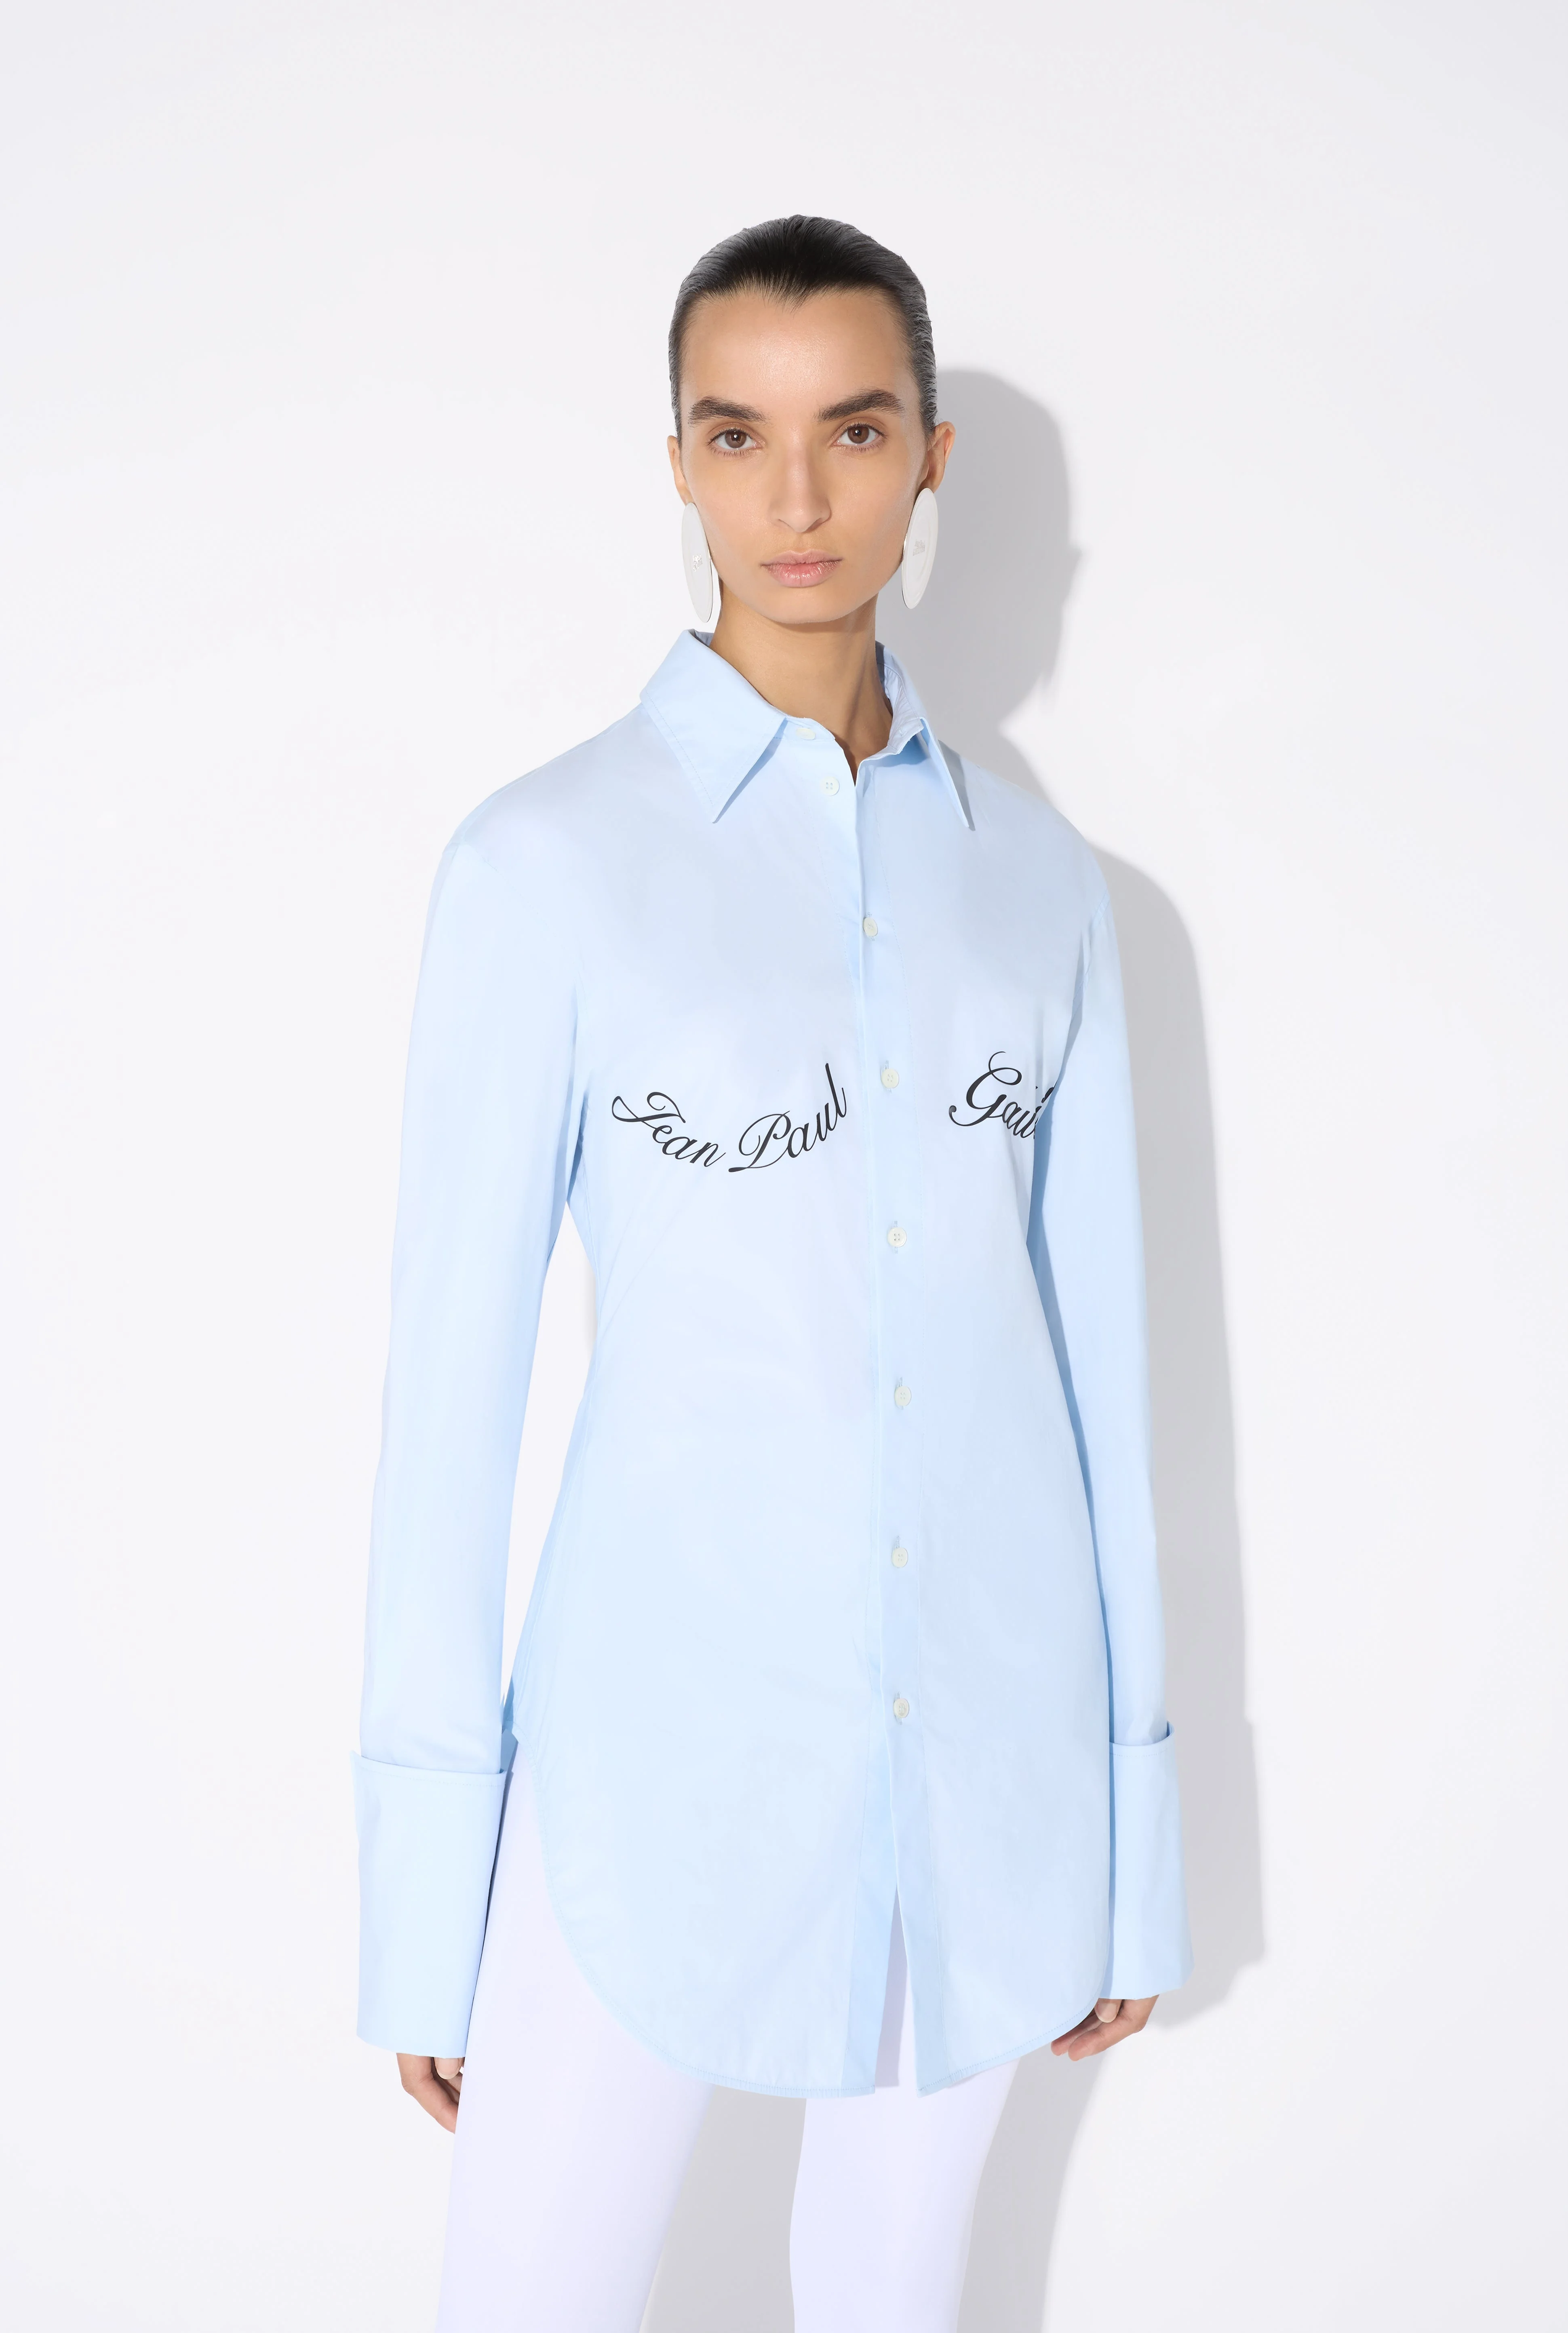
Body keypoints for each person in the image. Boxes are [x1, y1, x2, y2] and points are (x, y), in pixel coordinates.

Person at [352, 214, 1192, 2333]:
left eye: (855, 430)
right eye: (737, 433)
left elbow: (1103, 1375)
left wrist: (1131, 1822)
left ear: (930, 459)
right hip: (643, 1764)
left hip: (986, 1769)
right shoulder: (543, 865)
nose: (795, 496)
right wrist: (422, 1900)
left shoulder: (1041, 889)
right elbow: (445, 1403)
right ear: (677, 460)